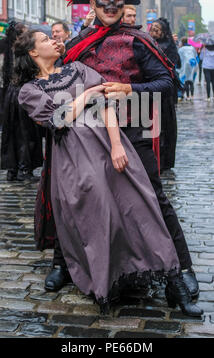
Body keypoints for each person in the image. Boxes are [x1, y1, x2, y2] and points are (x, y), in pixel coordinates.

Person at [15, 29, 202, 316]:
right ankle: (107, 281)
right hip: (73, 160)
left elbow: (106, 106)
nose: (54, 41)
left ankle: (174, 280)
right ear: (33, 53)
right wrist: (87, 94)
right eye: (45, 40)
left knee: (142, 207)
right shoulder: (29, 91)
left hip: (107, 146)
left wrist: (117, 145)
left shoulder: (77, 69)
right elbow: (56, 120)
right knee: (98, 219)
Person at [61, 0, 200, 308]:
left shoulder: (139, 40)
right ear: (93, 4)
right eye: (104, 1)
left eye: (117, 1)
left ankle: (182, 268)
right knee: (82, 200)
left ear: (123, 5)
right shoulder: (77, 43)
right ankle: (64, 263)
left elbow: (168, 84)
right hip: (88, 134)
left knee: (154, 198)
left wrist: (129, 88)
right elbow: (63, 84)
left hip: (135, 128)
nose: (110, 7)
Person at [0, 22, 43, 181]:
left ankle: (13, 169)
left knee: (13, 133)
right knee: (26, 134)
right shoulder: (24, 51)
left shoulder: (9, 48)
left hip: (11, 94)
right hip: (22, 93)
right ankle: (24, 170)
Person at [149, 18, 181, 172]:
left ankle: (164, 160)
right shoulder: (148, 42)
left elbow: (173, 64)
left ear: (163, 31)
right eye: (152, 27)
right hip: (150, 89)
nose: (154, 30)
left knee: (164, 126)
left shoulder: (168, 45)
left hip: (165, 92)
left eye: (157, 28)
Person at [178, 37, 198, 101]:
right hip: (192, 65)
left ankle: (188, 96)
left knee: (186, 81)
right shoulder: (192, 48)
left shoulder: (181, 49)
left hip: (185, 67)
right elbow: (196, 56)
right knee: (191, 82)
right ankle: (192, 96)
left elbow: (179, 59)